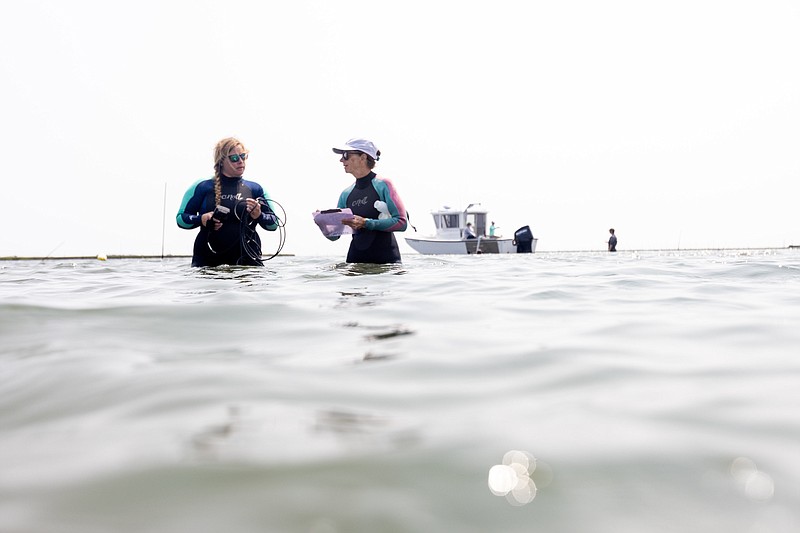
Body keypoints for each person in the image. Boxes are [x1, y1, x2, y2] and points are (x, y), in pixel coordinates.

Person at [176, 137, 278, 267]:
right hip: (208, 261)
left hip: (247, 262)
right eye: (234, 158)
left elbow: (274, 224)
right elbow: (181, 219)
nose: (240, 161)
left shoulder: (255, 189)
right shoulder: (202, 187)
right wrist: (201, 219)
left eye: (243, 156)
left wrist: (259, 215)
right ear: (222, 161)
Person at [326, 138, 407, 263]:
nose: (341, 160)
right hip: (355, 264)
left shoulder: (383, 184)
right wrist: (324, 224)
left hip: (386, 264)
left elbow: (401, 223)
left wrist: (366, 223)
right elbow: (335, 236)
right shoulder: (346, 194)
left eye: (346, 155)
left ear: (363, 157)